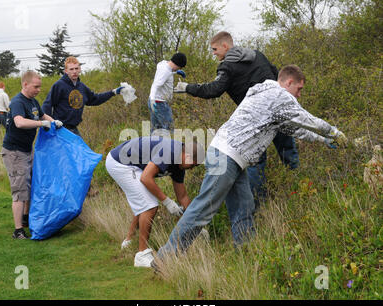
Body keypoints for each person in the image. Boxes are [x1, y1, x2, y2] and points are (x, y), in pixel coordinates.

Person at [154, 65, 347, 264]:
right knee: (203, 209)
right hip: (227, 155)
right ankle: (165, 259)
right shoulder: (280, 96)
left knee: (244, 208)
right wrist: (335, 133)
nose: (298, 96)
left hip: (231, 157)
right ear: (289, 82)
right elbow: (307, 119)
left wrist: (323, 140)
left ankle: (247, 258)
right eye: (299, 89)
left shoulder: (265, 94)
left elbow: (296, 129)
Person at [174, 31, 299, 203]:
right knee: (287, 151)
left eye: (215, 49)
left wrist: (188, 88)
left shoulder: (228, 66)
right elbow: (276, 74)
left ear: (225, 46)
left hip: (256, 122)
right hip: (278, 112)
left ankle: (257, 202)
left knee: (256, 160)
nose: (213, 53)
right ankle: (297, 190)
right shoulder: (257, 55)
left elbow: (214, 89)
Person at [105, 135, 204, 267]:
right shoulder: (170, 152)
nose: (192, 168)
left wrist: (195, 223)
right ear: (187, 156)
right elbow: (146, 178)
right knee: (149, 206)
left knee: (144, 200)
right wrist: (167, 201)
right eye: (193, 164)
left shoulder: (180, 165)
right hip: (119, 163)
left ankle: (129, 240)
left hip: (132, 165)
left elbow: (183, 197)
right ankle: (142, 255)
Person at [1, 70, 63, 239]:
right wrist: (41, 123)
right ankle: (18, 230)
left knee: (32, 184)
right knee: (20, 190)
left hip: (27, 150)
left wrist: (54, 122)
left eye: (40, 87)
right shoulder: (17, 102)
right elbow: (19, 122)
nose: (38, 90)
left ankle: (26, 219)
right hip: (14, 152)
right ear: (25, 84)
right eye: (36, 87)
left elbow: (43, 115)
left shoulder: (33, 102)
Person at [42, 56, 124, 137]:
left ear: (80, 69)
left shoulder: (81, 87)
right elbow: (47, 104)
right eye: (71, 69)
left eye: (76, 68)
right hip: (60, 128)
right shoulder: (59, 85)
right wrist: (49, 124)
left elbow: (95, 99)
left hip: (73, 128)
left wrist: (113, 92)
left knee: (81, 150)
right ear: (66, 71)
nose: (74, 71)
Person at [148, 52, 187, 134]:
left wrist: (175, 72)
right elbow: (155, 85)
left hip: (155, 102)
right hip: (159, 103)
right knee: (169, 129)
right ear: (178, 64)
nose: (178, 69)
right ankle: (168, 146)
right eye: (179, 67)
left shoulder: (163, 64)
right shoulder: (166, 71)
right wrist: (152, 100)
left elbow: (164, 74)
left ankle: (151, 145)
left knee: (156, 129)